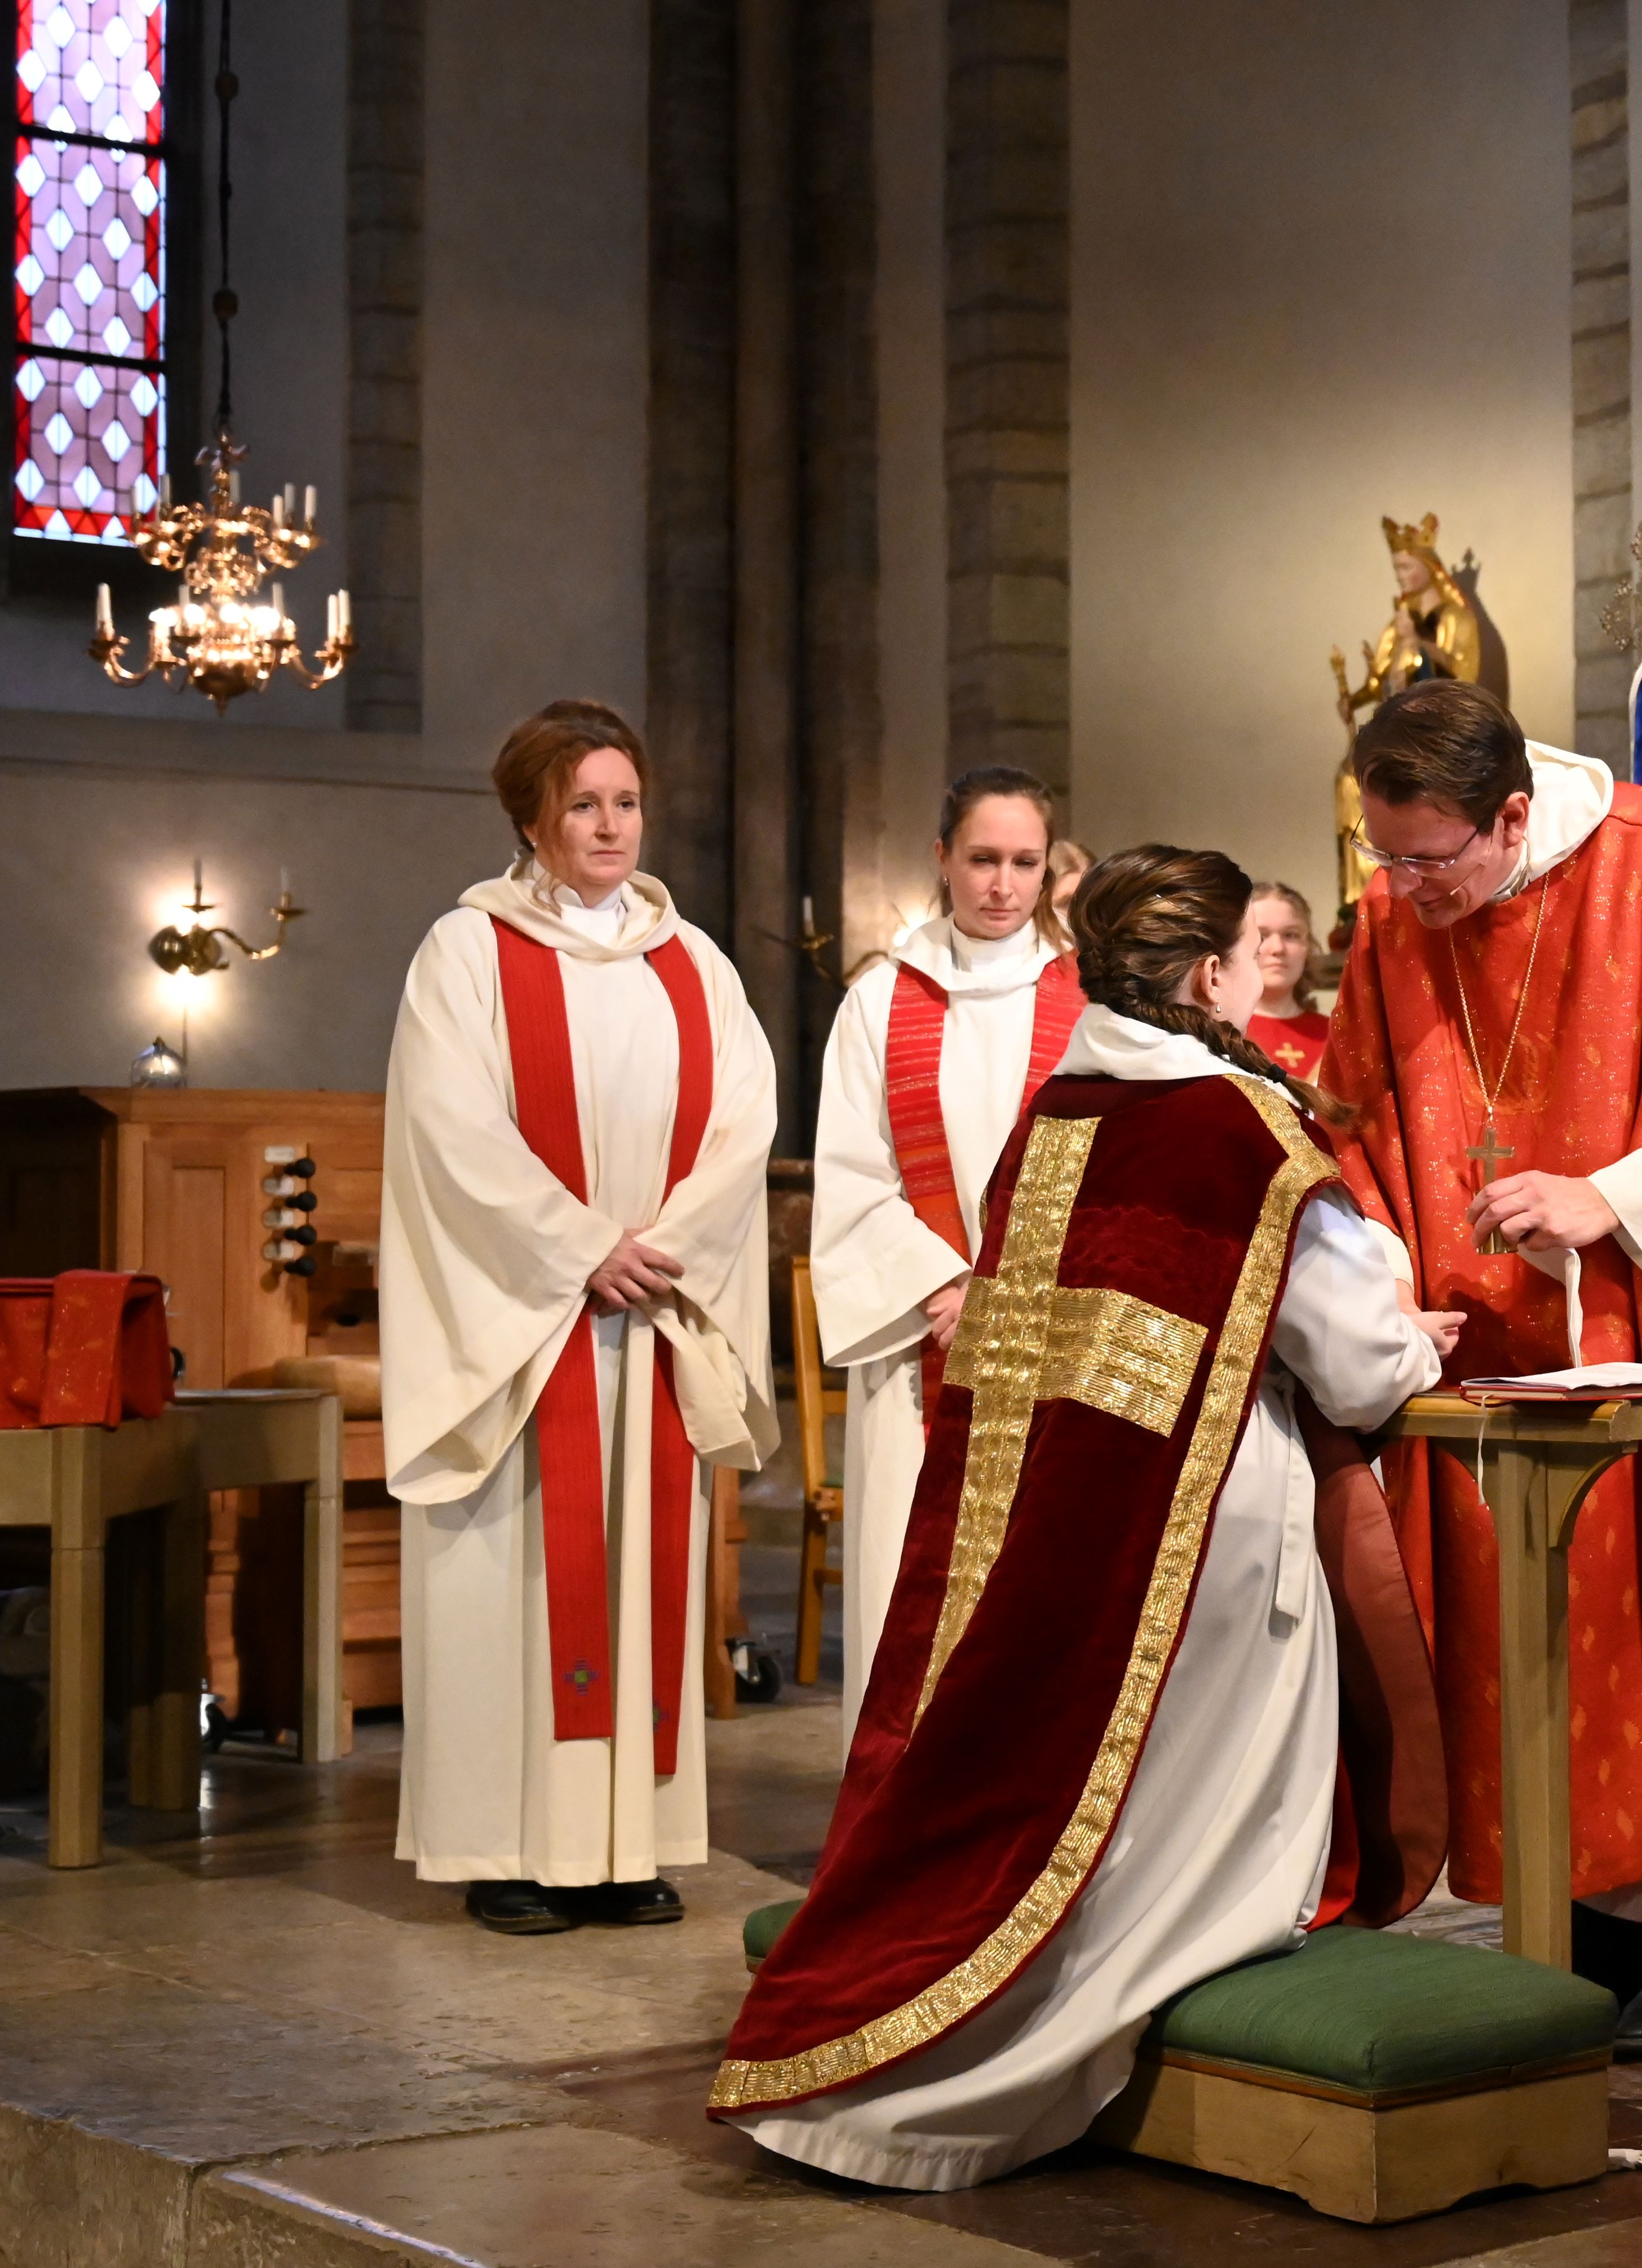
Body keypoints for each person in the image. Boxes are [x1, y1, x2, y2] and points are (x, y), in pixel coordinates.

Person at [710, 848, 1458, 2189]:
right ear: (1212, 973)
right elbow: (1356, 1362)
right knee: (1178, 1839)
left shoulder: (1056, 1111)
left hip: (1062, 1522)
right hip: (1209, 1544)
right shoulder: (1243, 1131)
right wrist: (1414, 1335)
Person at [1322, 676, 1642, 2056]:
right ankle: (1583, 1922)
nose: (1404, 892)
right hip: (1479, 1345)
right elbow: (1354, 1113)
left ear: (1511, 815)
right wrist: (1379, 1269)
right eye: (1385, 857)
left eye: (1429, 861)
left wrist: (1614, 1196)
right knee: (1531, 1640)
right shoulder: (1397, 913)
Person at [379, 699, 779, 1935]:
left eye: (626, 801)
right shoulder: (466, 953)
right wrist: (579, 1248)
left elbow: (745, 1122)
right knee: (514, 1580)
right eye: (583, 804)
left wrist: (659, 1251)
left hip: (649, 1315)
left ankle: (625, 1848)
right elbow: (450, 1129)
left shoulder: (694, 962)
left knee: (642, 1584)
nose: (610, 826)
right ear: (531, 820)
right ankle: (506, 1849)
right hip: (524, 1330)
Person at [809, 768, 1085, 1741]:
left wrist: (1011, 1290)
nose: (1003, 885)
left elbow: (1116, 1168)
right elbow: (850, 1169)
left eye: (1024, 862)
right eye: (982, 859)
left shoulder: (1092, 1000)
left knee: (1039, 1599)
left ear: (1048, 868)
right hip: (919, 1339)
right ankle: (898, 1808)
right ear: (941, 858)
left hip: (1052, 1344)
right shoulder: (881, 999)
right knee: (909, 1583)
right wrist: (942, 1285)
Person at [1243, 879, 1330, 1080]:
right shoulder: (1217, 1033)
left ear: (1308, 947)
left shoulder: (1335, 1035)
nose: (1278, 949)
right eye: (1262, 936)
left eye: (1291, 935)